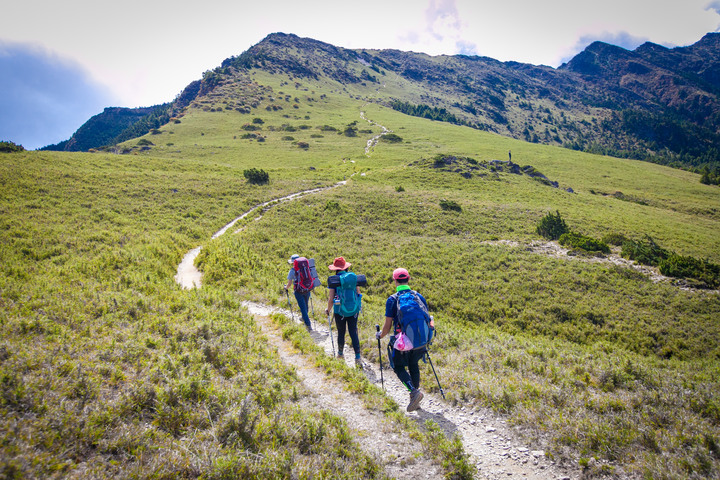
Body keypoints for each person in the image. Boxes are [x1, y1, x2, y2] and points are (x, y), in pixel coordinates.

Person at [376, 267, 435, 412]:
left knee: (398, 367)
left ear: (395, 281)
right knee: (414, 364)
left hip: (403, 342)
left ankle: (414, 393)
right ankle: (416, 396)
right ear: (408, 279)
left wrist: (380, 335)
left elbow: (387, 326)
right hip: (420, 340)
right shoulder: (418, 296)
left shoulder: (392, 300)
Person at [324, 256, 362, 366]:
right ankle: (358, 357)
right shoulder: (353, 278)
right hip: (353, 310)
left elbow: (331, 299)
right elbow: (358, 293)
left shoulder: (334, 280)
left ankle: (340, 354)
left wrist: (328, 309)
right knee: (353, 332)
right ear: (345, 268)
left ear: (336, 269)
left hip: (339, 311)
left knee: (341, 332)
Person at [284, 254, 312, 331]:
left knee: (302, 307)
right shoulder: (306, 268)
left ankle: (308, 324)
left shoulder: (292, 271)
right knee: (306, 305)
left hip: (298, 291)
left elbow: (289, 284)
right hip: (307, 289)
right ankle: (304, 318)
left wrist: (285, 287)